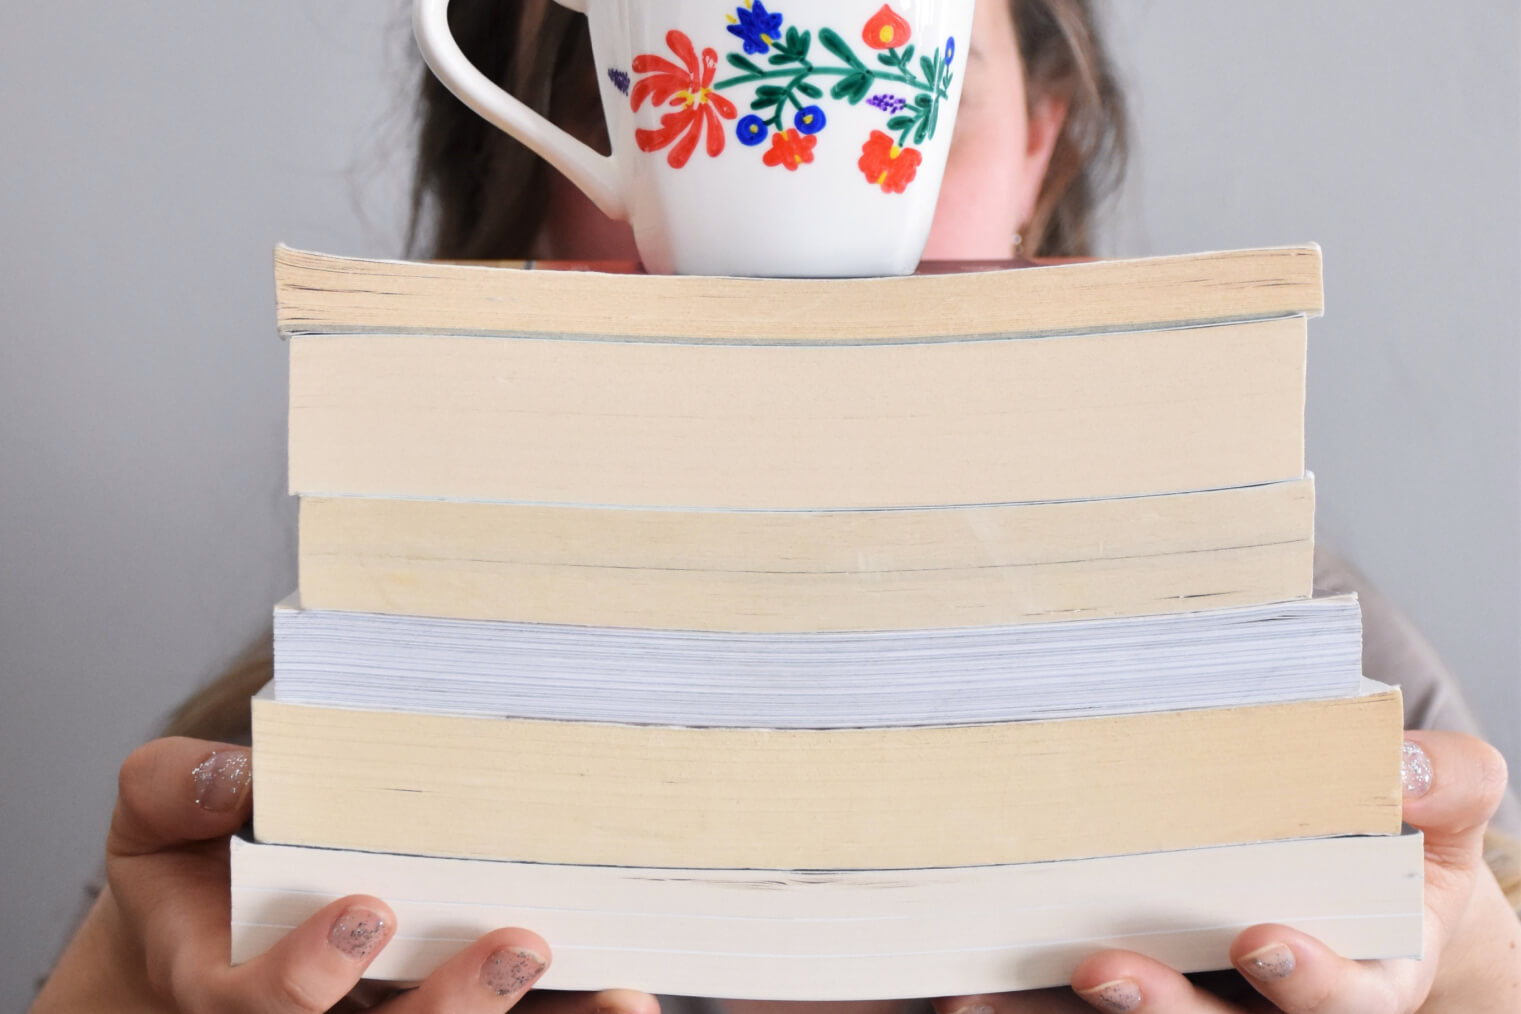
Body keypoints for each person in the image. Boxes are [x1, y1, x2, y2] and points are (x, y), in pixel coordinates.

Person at [28, 1, 1521, 1012]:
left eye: (876, 86)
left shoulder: (1318, 660)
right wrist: (113, 982)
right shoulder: (349, 710)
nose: (784, 224)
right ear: (535, 165)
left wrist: (1467, 978)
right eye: (668, 93)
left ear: (1034, 152)